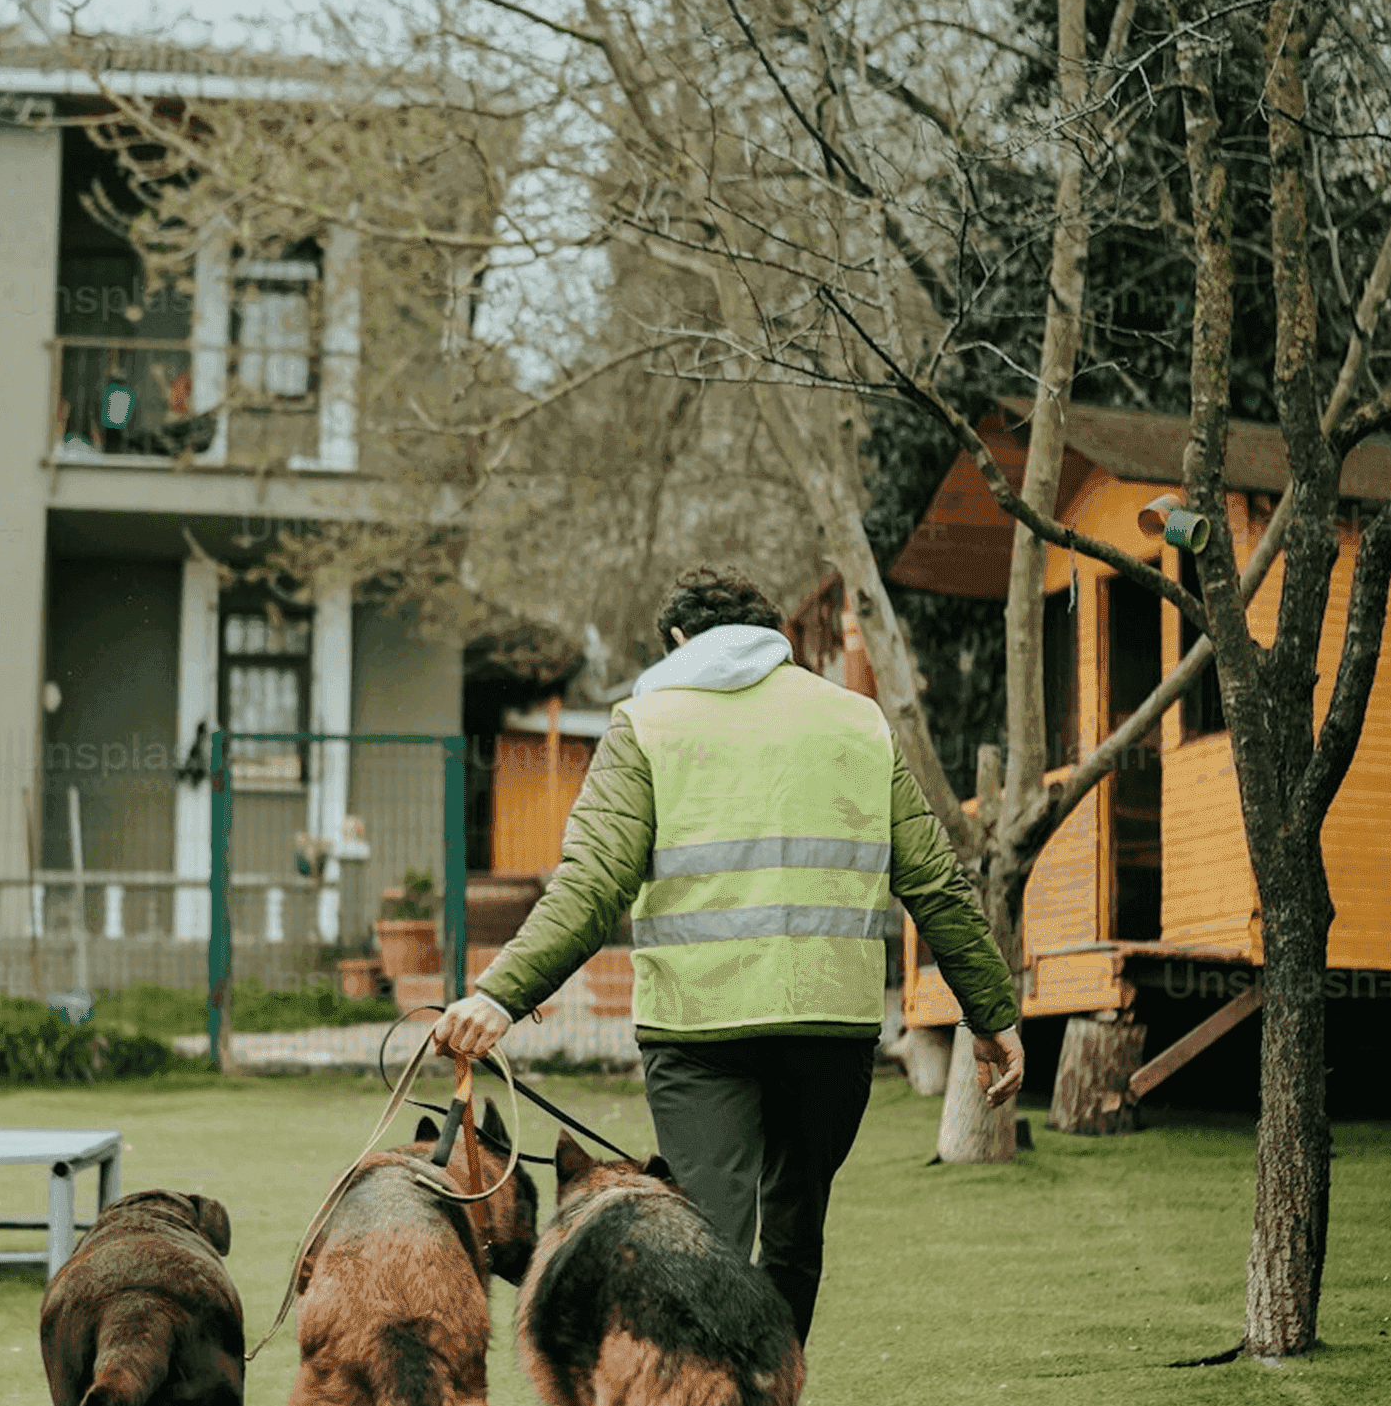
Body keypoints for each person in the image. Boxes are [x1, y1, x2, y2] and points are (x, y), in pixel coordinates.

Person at [430, 564, 1024, 1348]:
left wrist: (499, 996)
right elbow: (938, 886)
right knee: (795, 1234)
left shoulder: (645, 723)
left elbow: (591, 886)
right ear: (771, 634)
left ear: (678, 639)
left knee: (704, 1237)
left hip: (699, 1032)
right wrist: (993, 1016)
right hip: (830, 1028)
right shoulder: (857, 722)